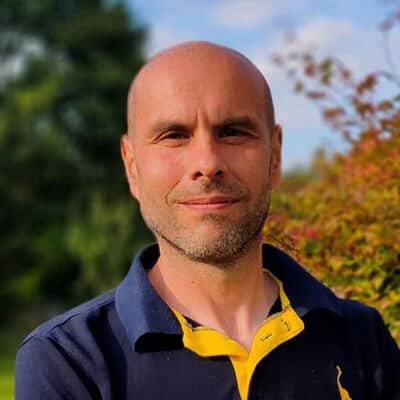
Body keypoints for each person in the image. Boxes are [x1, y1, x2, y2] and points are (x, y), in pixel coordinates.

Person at [15, 41, 400, 400]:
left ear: (275, 155)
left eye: (233, 132)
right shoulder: (68, 362)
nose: (207, 163)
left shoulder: (363, 339)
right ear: (131, 166)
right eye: (173, 135)